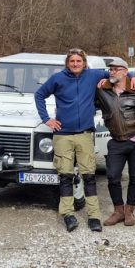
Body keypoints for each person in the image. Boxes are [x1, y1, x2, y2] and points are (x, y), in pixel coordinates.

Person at [35, 48, 109, 233]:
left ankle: (94, 216)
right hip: (63, 135)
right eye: (72, 61)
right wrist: (46, 119)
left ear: (84, 62)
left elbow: (118, 73)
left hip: (84, 134)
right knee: (65, 176)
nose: (75, 64)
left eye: (79, 61)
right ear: (67, 63)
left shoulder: (92, 75)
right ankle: (68, 214)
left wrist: (130, 78)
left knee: (89, 176)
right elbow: (39, 95)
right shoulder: (58, 78)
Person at [95, 58, 135, 227]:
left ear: (125, 71)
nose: (112, 72)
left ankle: (129, 210)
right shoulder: (102, 90)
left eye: (117, 69)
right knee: (112, 176)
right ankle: (118, 211)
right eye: (111, 70)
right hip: (116, 142)